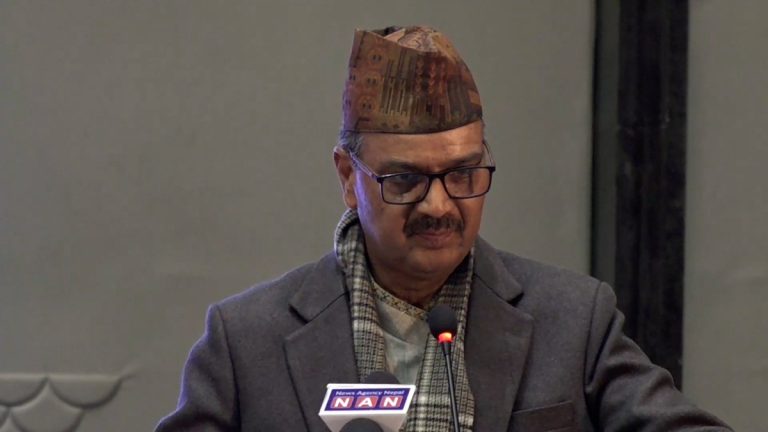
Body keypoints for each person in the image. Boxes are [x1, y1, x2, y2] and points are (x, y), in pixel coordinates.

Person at [156, 26, 731, 431]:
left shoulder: (575, 323)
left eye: (462, 174)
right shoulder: (246, 341)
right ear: (348, 177)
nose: (439, 205)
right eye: (405, 179)